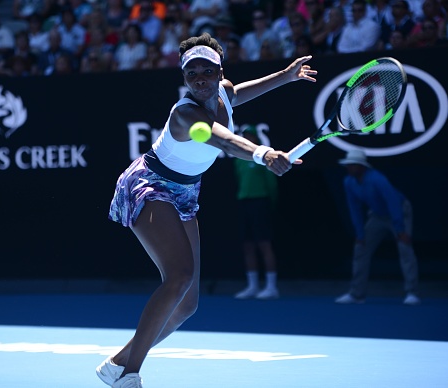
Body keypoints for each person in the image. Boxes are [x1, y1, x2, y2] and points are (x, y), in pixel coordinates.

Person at [98, 32, 317, 388]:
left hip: (185, 191)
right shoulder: (186, 116)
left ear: (219, 72)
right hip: (149, 185)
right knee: (179, 276)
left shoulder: (223, 91)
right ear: (184, 78)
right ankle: (128, 375)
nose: (200, 79)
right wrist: (263, 154)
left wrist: (286, 76)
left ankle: (116, 362)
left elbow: (237, 94)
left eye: (207, 72)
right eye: (192, 74)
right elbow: (222, 139)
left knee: (187, 305)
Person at [335, 149, 421, 305]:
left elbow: (393, 202)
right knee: (360, 249)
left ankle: (412, 292)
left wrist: (400, 229)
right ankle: (357, 294)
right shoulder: (348, 182)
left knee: (405, 249)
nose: (349, 168)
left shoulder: (377, 179)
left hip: (400, 212)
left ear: (362, 166)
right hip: (377, 215)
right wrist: (360, 234)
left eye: (353, 165)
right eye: (348, 165)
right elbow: (354, 209)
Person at [233, 125, 280, 300]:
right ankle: (252, 286)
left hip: (261, 202)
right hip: (244, 202)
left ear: (255, 137)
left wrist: (269, 203)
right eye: (244, 135)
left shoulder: (264, 157)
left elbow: (272, 184)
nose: (246, 138)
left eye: (249, 135)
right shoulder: (238, 159)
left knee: (264, 244)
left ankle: (271, 287)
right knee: (248, 246)